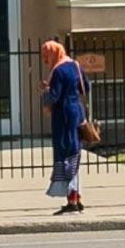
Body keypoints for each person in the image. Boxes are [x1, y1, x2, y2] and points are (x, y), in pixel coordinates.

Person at [41, 38, 88, 214]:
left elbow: (53, 97)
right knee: (75, 154)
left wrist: (45, 91)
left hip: (64, 117)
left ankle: (72, 201)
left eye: (46, 56)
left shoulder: (58, 71)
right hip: (77, 113)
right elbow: (86, 88)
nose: (45, 60)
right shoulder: (75, 65)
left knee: (67, 155)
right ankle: (78, 197)